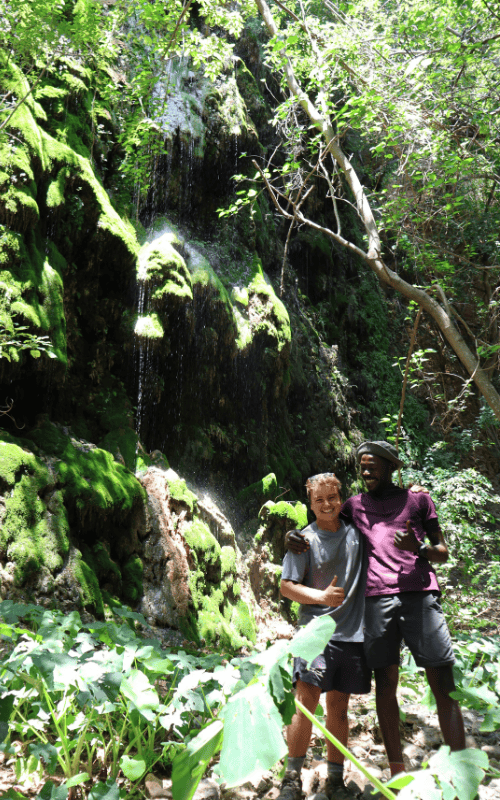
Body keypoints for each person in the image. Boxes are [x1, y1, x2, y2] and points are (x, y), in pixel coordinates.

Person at [286, 441, 465, 782]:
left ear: (391, 467)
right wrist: (291, 538)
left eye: (373, 466)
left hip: (420, 596)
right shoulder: (353, 506)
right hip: (376, 601)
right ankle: (397, 773)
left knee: (442, 680)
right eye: (362, 466)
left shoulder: (418, 500)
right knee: (385, 684)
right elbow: (322, 519)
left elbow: (442, 552)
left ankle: (461, 768)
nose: (366, 471)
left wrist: (419, 548)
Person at [279, 472, 371, 800]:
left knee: (339, 707)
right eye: (319, 500)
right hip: (314, 633)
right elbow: (286, 586)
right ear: (310, 504)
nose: (327, 504)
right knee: (305, 703)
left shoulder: (357, 535)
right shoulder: (303, 541)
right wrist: (321, 597)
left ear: (341, 498)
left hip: (351, 634)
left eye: (332, 497)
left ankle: (335, 780)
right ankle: (291, 778)